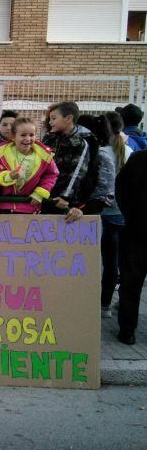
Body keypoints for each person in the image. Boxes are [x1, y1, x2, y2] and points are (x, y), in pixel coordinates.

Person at [80, 114, 131, 318]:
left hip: (98, 212)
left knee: (89, 261)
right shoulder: (127, 150)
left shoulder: (99, 153)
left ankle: (87, 301)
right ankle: (105, 305)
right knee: (113, 261)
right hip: (120, 212)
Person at [0, 117, 59, 214]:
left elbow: (51, 175)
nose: (28, 139)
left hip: (30, 206)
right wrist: (9, 176)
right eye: (23, 135)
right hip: (5, 206)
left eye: (31, 135)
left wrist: (39, 193)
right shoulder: (1, 153)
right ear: (14, 136)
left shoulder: (44, 155)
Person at [114, 148, 147, 345]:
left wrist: (129, 215)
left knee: (130, 285)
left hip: (136, 232)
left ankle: (127, 332)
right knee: (130, 285)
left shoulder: (139, 158)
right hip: (136, 232)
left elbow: (120, 188)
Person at [41, 102, 94, 215]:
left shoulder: (79, 143)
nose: (50, 122)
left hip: (62, 200)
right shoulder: (49, 138)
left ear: (69, 118)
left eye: (54, 118)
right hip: (44, 194)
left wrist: (66, 196)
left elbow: (77, 172)